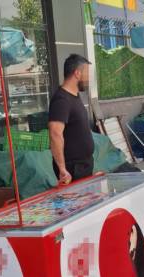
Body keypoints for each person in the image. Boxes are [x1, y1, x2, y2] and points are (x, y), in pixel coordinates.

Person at [48, 54, 94, 185]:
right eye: (87, 74)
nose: (89, 79)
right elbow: (55, 134)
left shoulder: (74, 96)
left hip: (83, 165)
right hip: (73, 169)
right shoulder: (62, 100)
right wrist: (62, 169)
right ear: (77, 73)